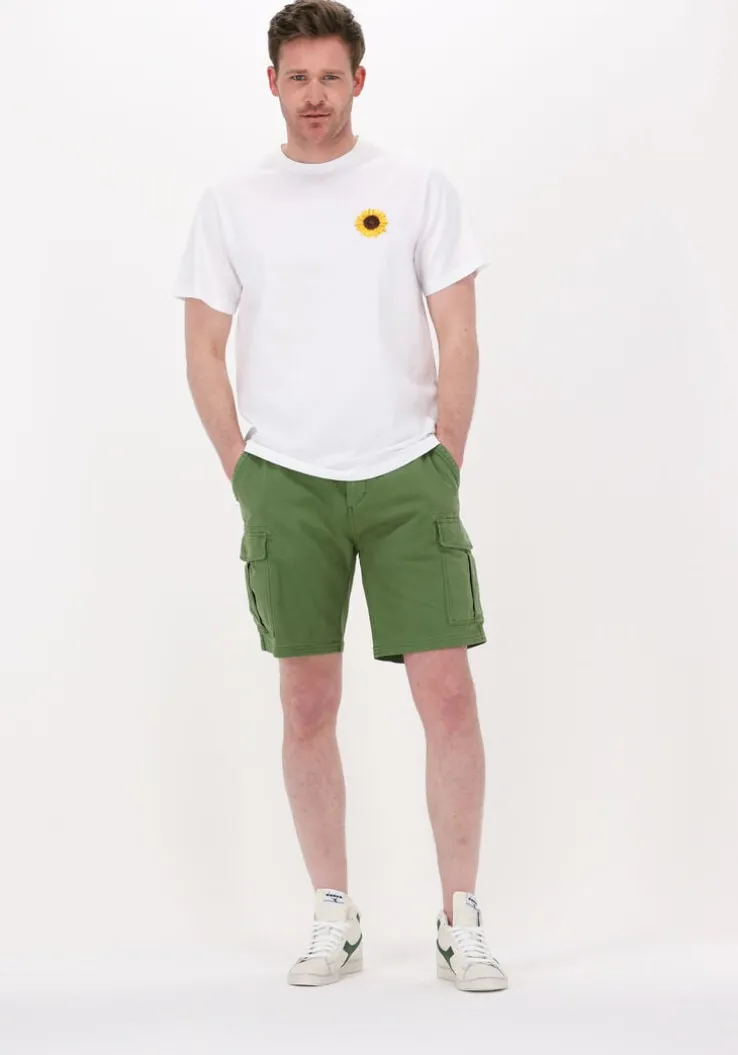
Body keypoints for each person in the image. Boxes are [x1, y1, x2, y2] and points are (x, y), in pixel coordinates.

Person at [173, 0, 507, 993]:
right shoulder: (232, 202)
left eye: (330, 76)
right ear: (271, 83)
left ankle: (460, 915)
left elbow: (459, 331)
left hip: (406, 474)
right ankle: (334, 910)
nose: (313, 95)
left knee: (446, 692)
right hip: (287, 480)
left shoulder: (415, 188)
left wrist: (445, 457)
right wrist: (243, 469)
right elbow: (202, 345)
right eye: (297, 77)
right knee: (306, 698)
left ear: (359, 80)